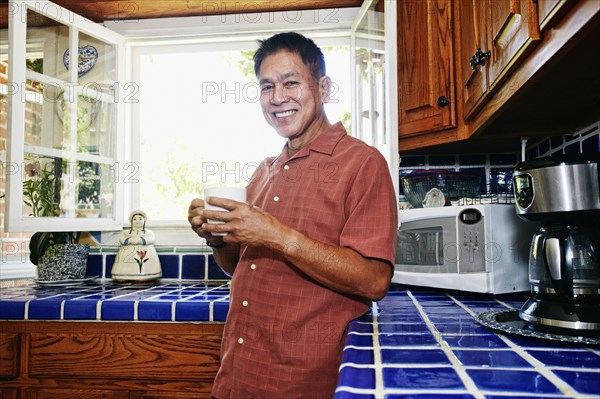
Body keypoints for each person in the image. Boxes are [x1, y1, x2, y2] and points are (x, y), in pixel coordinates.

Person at [187, 32, 397, 399]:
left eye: (291, 83)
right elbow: (238, 267)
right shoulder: (264, 171)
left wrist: (275, 234)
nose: (278, 97)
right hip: (237, 376)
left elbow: (374, 281)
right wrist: (216, 237)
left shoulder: (363, 163)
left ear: (323, 87)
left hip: (302, 384)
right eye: (267, 87)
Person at [112, 210, 162, 281]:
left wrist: (141, 240)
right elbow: (121, 239)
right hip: (127, 255)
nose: (137, 221)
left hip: (147, 252)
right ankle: (124, 275)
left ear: (144, 221)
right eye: (134, 219)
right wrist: (129, 240)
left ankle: (147, 275)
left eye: (140, 219)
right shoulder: (126, 232)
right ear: (131, 221)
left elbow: (152, 239)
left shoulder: (149, 232)